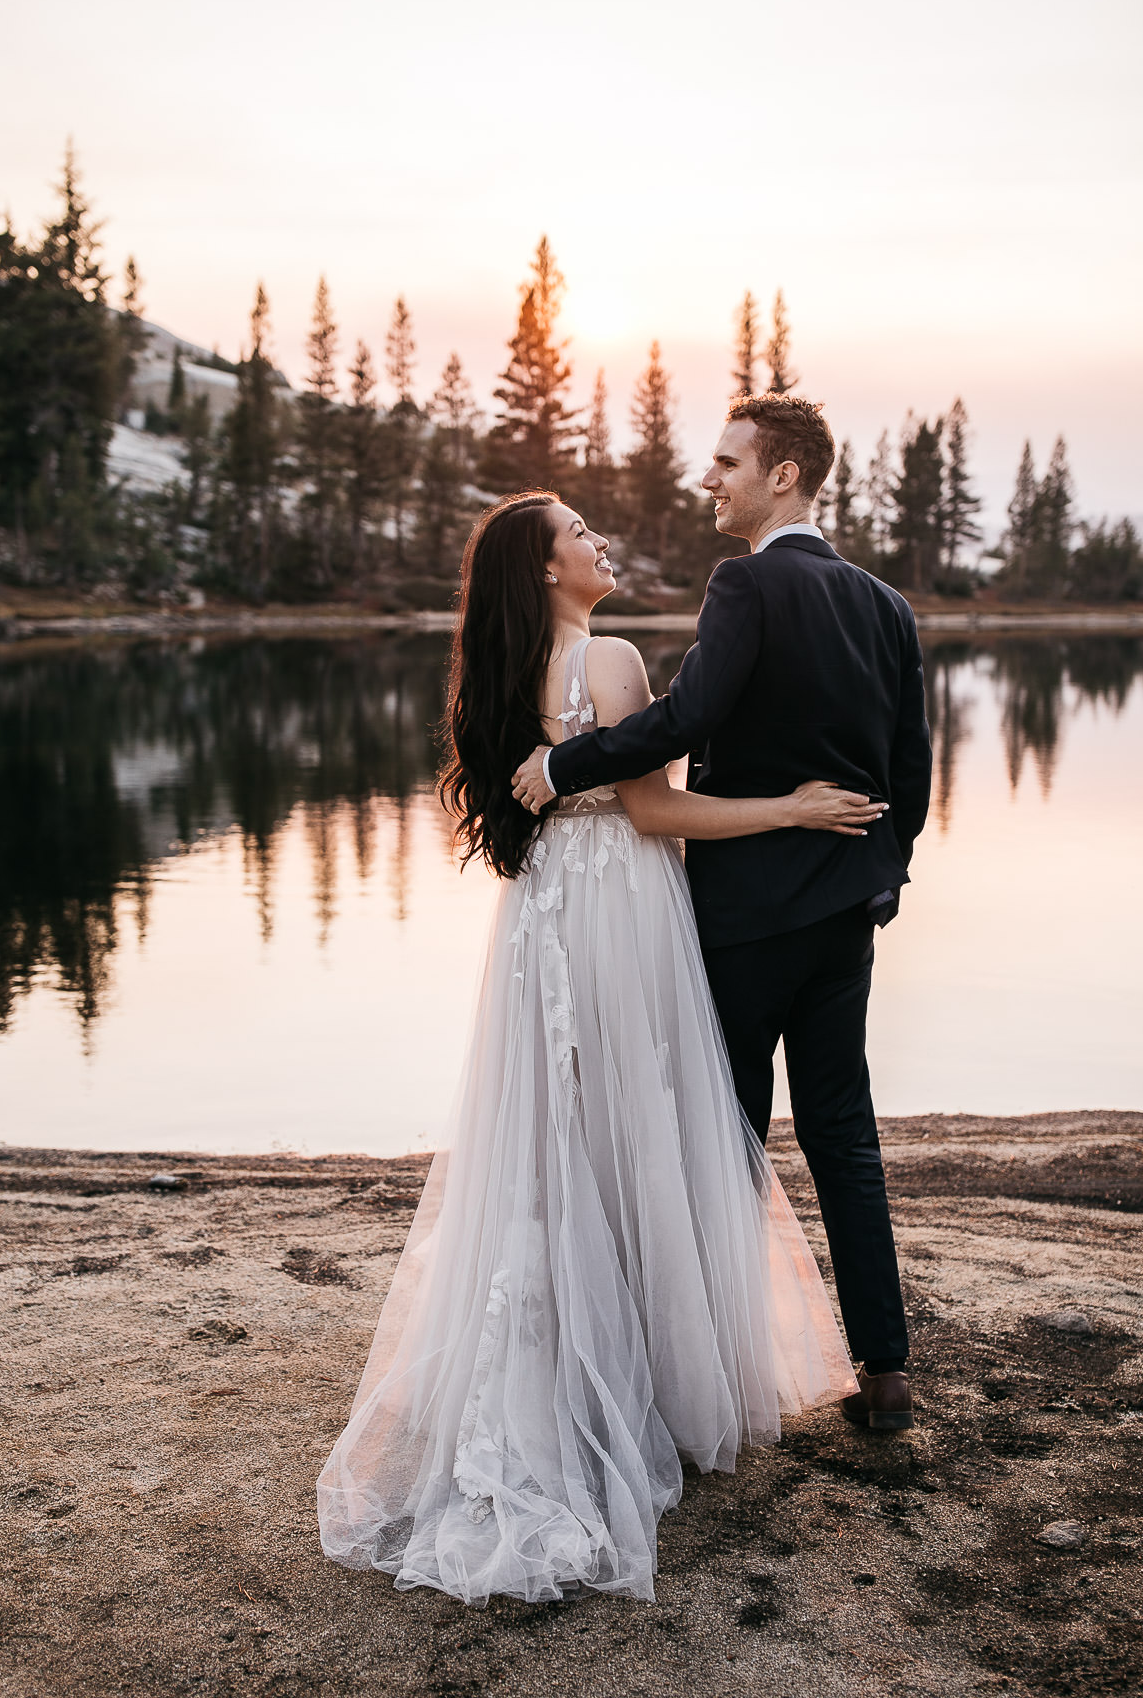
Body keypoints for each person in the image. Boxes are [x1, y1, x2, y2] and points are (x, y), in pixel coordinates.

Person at [317, 489, 877, 1606]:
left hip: (542, 919)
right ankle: (640, 1386)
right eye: (580, 532)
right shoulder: (608, 660)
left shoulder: (499, 678)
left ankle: (565, 1366)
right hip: (620, 910)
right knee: (636, 1131)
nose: (600, 541)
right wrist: (796, 809)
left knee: (551, 1142)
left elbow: (557, 802)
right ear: (543, 569)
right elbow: (659, 816)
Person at [513, 393, 933, 1436]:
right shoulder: (887, 606)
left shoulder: (747, 582)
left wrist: (563, 763)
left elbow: (688, 717)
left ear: (782, 475)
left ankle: (709, 1370)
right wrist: (878, 874)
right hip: (841, 913)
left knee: (724, 1136)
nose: (713, 479)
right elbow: (911, 778)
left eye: (728, 463)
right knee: (844, 1132)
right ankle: (884, 1372)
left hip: (742, 915)